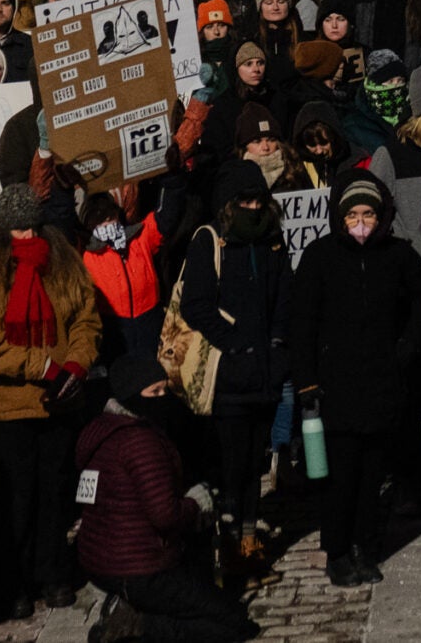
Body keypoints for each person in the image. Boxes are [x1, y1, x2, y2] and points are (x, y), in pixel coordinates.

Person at [0, 181, 103, 619]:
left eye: (31, 227)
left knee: (55, 493)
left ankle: (54, 574)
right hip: (10, 405)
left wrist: (76, 366)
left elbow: (86, 320)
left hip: (60, 399)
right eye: (17, 229)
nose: (25, 236)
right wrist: (41, 366)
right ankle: (14, 582)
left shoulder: (62, 262)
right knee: (15, 500)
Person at [290, 176, 421, 588]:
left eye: (368, 213)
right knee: (340, 478)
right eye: (352, 214)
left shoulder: (397, 256)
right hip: (335, 388)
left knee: (372, 478)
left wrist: (408, 344)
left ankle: (365, 549)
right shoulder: (320, 258)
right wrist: (306, 382)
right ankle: (337, 550)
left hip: (382, 385)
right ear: (339, 217)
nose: (361, 222)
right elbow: (302, 325)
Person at [75, 352, 258, 643]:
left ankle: (133, 609)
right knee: (236, 624)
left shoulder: (100, 430)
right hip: (140, 567)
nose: (163, 398)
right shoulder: (142, 442)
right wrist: (197, 503)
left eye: (164, 389)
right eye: (154, 392)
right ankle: (137, 625)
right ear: (133, 394)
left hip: (99, 560)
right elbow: (165, 516)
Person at [178, 162, 292, 586]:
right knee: (231, 467)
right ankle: (228, 552)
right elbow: (196, 304)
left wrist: (278, 345)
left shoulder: (272, 241)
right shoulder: (210, 241)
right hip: (227, 379)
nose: (252, 207)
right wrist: (235, 342)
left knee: (253, 471)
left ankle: (248, 543)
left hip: (264, 374)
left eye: (258, 200)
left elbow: (284, 297)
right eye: (244, 201)